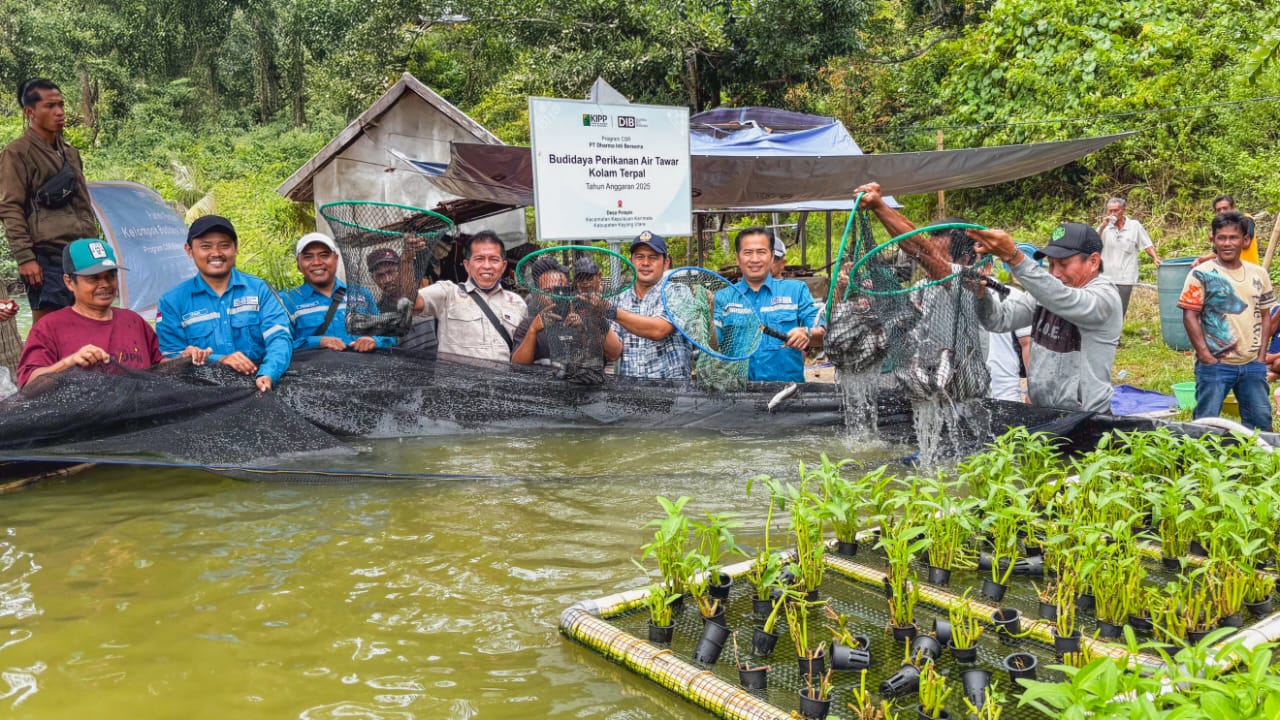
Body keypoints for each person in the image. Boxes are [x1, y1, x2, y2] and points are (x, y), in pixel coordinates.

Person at [970, 223, 1123, 414]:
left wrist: (1014, 257)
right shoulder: (1045, 294)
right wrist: (981, 296)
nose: (1055, 273)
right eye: (1051, 264)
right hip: (1042, 413)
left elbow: (1064, 299)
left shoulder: (1104, 298)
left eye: (1064, 264)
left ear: (1093, 261)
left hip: (1085, 419)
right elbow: (999, 320)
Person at [156, 215, 293, 392]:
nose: (216, 253)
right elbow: (168, 360)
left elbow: (279, 338)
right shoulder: (171, 302)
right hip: (203, 396)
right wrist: (216, 359)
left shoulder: (259, 290)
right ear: (189, 250)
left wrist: (268, 373)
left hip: (260, 388)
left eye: (225, 245)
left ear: (235, 248)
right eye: (206, 246)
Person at [0, 79, 99, 323]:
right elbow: (9, 206)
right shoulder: (17, 152)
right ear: (30, 112)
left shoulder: (70, 152)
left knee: (87, 321)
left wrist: (94, 245)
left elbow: (83, 202)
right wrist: (25, 257)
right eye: (50, 106)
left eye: (62, 105)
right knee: (49, 326)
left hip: (81, 251)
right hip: (47, 254)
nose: (60, 112)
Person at [16, 238, 175, 386]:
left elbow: (158, 365)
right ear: (69, 282)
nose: (105, 284)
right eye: (93, 278)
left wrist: (183, 361)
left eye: (110, 276)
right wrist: (68, 363)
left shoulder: (133, 320)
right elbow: (28, 384)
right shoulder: (48, 327)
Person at [1179, 211, 1275, 430]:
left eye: (1233, 237)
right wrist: (1205, 355)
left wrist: (1261, 355)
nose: (1227, 243)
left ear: (1245, 240)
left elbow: (1265, 315)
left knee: (1260, 423)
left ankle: (1258, 463)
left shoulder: (1258, 274)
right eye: (1221, 237)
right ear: (1213, 239)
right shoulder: (1201, 274)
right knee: (1206, 424)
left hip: (1252, 364)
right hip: (1216, 365)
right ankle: (1203, 462)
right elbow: (1189, 315)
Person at [717, 227, 823, 383]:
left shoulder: (796, 290)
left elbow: (822, 332)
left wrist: (806, 333)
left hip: (787, 395)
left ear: (772, 256)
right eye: (747, 253)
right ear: (737, 258)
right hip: (738, 396)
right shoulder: (723, 297)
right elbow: (712, 344)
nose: (754, 259)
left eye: (761, 252)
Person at [412, 230, 527, 362]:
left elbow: (522, 353)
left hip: (503, 382)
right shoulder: (448, 293)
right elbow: (411, 302)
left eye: (494, 260)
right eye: (479, 259)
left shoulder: (518, 303)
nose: (487, 266)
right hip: (454, 382)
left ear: (503, 266)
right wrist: (407, 261)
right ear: (467, 265)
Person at [281, 233, 396, 352]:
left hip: (366, 368)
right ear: (298, 264)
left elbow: (388, 334)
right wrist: (317, 342)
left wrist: (374, 340)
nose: (316, 262)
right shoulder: (286, 301)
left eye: (324, 255)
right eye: (308, 257)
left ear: (336, 259)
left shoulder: (361, 293)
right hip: (314, 370)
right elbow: (278, 346)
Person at [606, 231, 692, 380]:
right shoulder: (618, 298)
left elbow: (659, 330)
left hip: (674, 395)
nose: (645, 263)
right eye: (639, 257)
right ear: (630, 261)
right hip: (630, 395)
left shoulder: (678, 292)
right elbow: (613, 353)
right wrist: (597, 319)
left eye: (653, 257)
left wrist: (611, 311)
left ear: (666, 263)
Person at [511, 260, 622, 370]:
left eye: (560, 289)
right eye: (547, 291)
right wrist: (533, 331)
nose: (555, 295)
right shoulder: (529, 325)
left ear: (568, 289)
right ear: (539, 294)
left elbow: (614, 354)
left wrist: (593, 320)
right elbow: (516, 367)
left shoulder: (588, 317)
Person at [1095, 197, 1160, 317]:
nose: (1113, 214)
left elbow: (1147, 244)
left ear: (1123, 210)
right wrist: (1103, 225)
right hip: (1105, 276)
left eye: (1116, 211)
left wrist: (1155, 257)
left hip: (1125, 277)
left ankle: (1116, 334)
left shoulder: (1134, 226)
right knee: (1104, 309)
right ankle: (1104, 333)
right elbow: (1092, 242)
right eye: (1110, 211)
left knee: (1120, 310)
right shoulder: (1104, 227)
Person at [1193, 195, 1260, 267]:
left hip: (1249, 269)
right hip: (1229, 271)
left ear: (1233, 208)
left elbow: (1246, 244)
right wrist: (1201, 259)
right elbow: (1218, 252)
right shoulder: (1220, 228)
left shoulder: (1246, 219)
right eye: (1218, 210)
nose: (1222, 212)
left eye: (1225, 208)